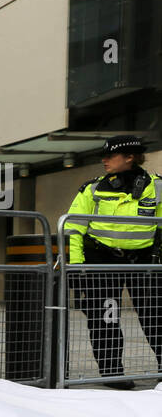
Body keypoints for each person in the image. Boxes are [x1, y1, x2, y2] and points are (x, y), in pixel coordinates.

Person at [64, 135, 162, 390]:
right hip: (102, 262)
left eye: (110, 155)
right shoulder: (93, 189)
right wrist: (76, 267)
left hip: (144, 263)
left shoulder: (157, 187)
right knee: (105, 318)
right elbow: (74, 228)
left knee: (156, 317)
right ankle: (111, 373)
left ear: (129, 157)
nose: (104, 160)